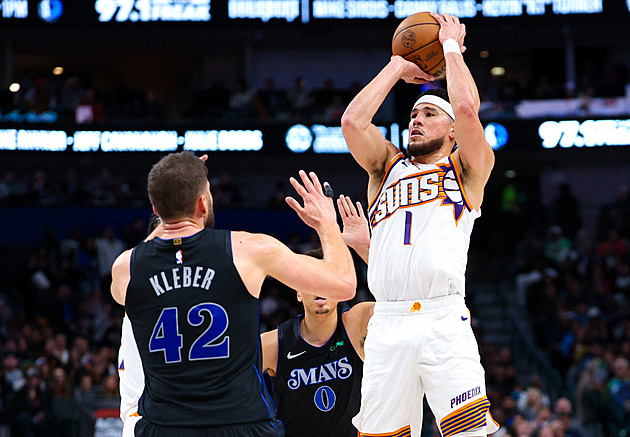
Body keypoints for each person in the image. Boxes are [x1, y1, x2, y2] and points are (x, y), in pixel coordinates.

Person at [110, 151, 356, 436]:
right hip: (240, 424)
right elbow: (344, 283)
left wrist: (174, 189)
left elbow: (153, 246)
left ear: (155, 210)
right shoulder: (247, 250)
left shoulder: (126, 268)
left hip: (164, 427)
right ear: (203, 204)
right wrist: (327, 223)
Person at [340, 12, 499, 437]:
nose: (416, 119)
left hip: (444, 320)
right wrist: (397, 65)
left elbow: (466, 106)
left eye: (428, 114)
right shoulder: (385, 167)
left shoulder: (466, 168)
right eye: (413, 114)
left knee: (469, 434)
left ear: (452, 132)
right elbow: (352, 123)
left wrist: (449, 47)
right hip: (388, 320)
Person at [261, 195, 374, 437]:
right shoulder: (274, 344)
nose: (321, 288)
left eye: (327, 280)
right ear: (298, 293)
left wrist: (365, 248)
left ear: (339, 288)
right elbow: (223, 376)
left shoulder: (357, 323)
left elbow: (402, 303)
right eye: (313, 280)